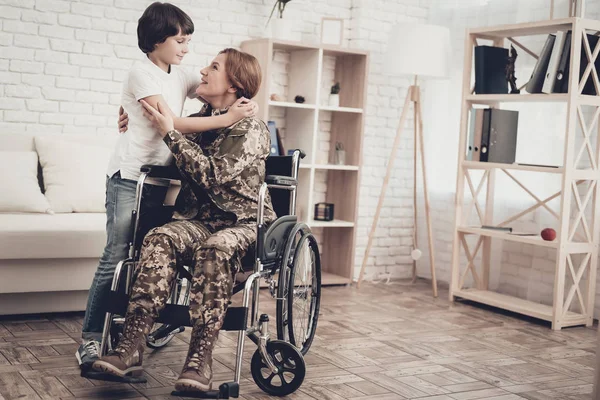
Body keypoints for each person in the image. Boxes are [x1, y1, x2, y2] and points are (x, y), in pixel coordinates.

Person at [77, 2, 256, 369]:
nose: (188, 50)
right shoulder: (141, 73)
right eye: (180, 40)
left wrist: (235, 111)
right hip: (130, 177)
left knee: (143, 255)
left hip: (159, 180)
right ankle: (91, 339)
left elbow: (213, 86)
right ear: (157, 39)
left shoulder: (179, 74)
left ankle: (126, 332)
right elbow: (170, 122)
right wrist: (227, 118)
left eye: (189, 40)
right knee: (116, 255)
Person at [92, 48, 276, 394]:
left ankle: (199, 362)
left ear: (235, 86)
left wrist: (169, 132)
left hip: (243, 223)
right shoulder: (199, 120)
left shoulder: (251, 128)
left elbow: (211, 174)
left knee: (215, 248)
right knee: (160, 237)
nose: (203, 71)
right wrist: (135, 121)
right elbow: (166, 145)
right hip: (198, 220)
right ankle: (130, 348)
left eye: (214, 67)